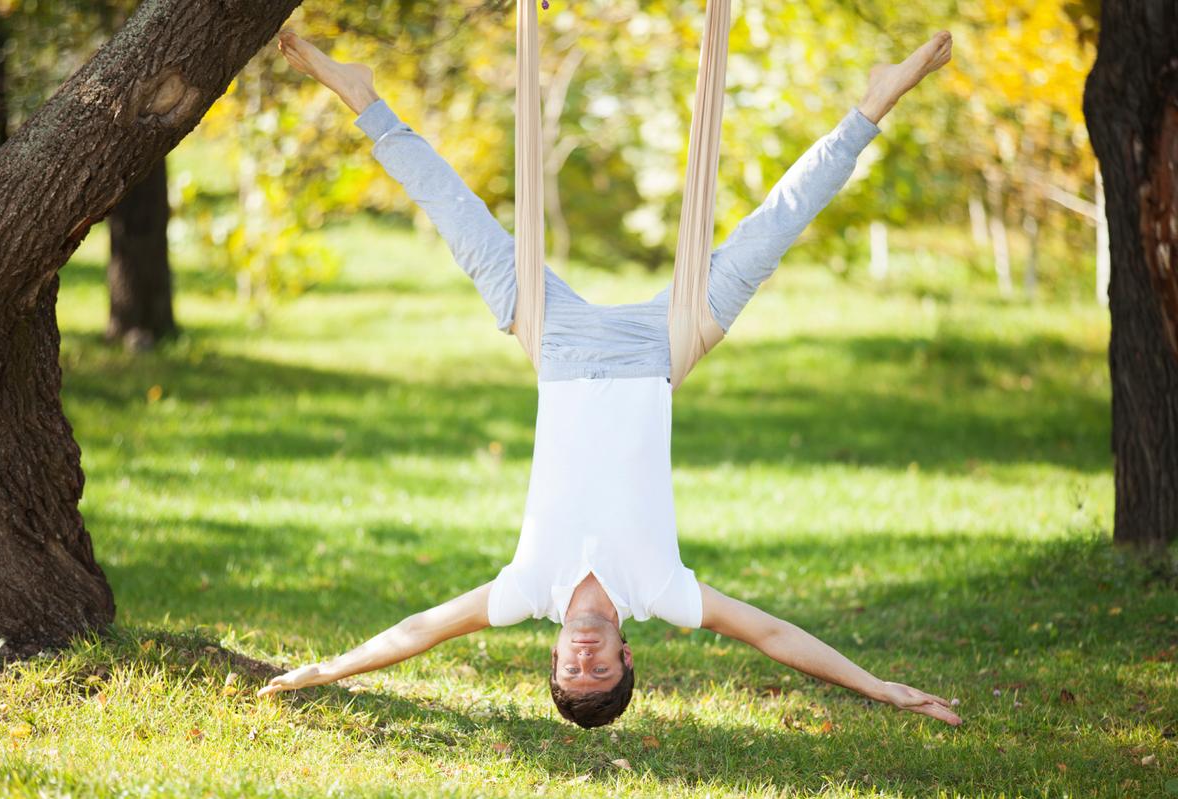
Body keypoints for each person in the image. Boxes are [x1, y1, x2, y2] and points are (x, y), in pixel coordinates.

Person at [259, 28, 961, 731]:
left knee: (456, 213)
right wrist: (878, 687)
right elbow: (774, 635)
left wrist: (327, 669)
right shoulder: (662, 591)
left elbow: (419, 631)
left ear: (553, 657)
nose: (585, 660)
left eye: (571, 670)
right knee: (774, 226)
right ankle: (876, 100)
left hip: (555, 342)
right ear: (629, 656)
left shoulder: (525, 589)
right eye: (601, 671)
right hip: (663, 347)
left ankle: (361, 95)